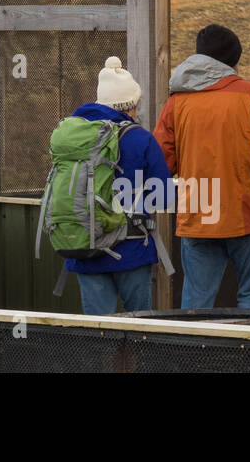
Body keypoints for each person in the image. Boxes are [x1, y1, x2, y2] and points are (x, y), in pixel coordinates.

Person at [153, 24, 250, 309]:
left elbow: (162, 164)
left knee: (197, 302)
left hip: (198, 210)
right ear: (232, 60)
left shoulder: (176, 102)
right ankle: (247, 353)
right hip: (246, 212)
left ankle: (197, 353)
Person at [67, 56, 174, 316]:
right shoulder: (140, 138)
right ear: (131, 105)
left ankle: (102, 359)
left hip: (85, 247)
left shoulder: (72, 136)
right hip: (132, 250)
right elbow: (164, 197)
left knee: (99, 333)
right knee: (138, 330)